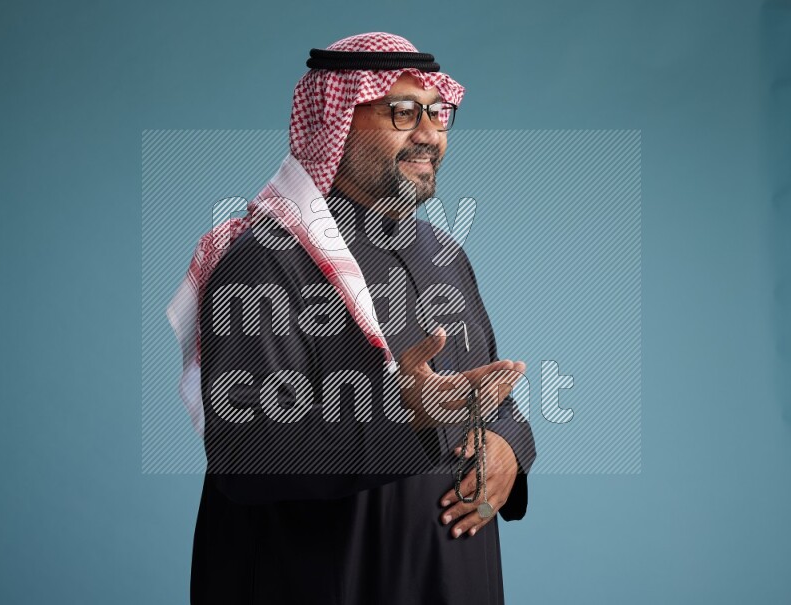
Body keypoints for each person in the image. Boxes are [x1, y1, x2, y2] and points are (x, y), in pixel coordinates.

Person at [168, 32, 536, 605]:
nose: (429, 134)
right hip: (328, 578)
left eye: (437, 112)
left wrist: (512, 444)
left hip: (457, 579)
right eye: (403, 112)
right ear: (334, 123)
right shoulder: (268, 259)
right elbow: (246, 456)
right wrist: (403, 415)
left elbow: (488, 393)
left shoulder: (445, 253)